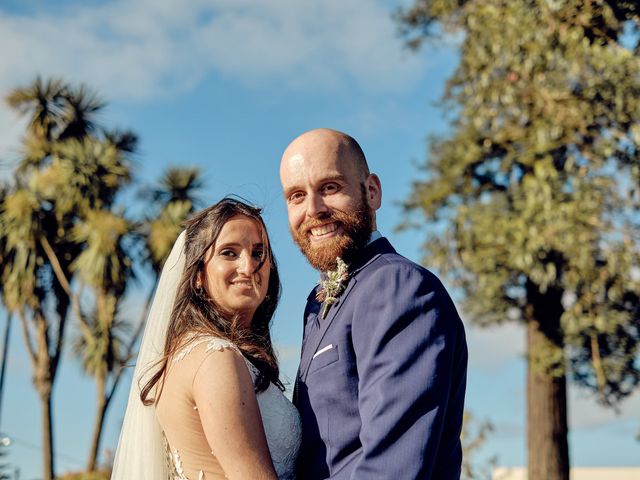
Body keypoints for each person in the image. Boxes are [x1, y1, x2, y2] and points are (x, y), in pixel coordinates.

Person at [280, 128, 468, 479]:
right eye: (296, 196)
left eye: (330, 188)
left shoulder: (398, 287)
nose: (313, 210)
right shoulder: (316, 302)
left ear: (372, 191)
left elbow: (393, 466)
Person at [111, 198, 301, 480]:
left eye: (258, 252)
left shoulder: (189, 352)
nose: (248, 266)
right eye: (229, 253)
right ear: (198, 274)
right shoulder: (216, 358)